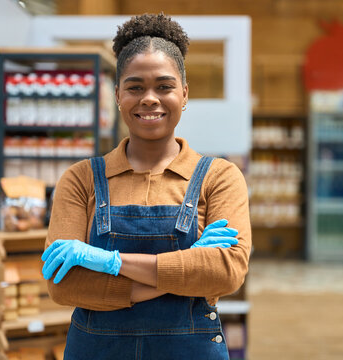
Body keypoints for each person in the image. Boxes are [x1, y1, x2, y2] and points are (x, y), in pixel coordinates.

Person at [41, 13, 251, 359]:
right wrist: (185, 270)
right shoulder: (80, 181)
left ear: (184, 94)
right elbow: (64, 285)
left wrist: (109, 262)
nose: (149, 98)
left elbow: (226, 273)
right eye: (135, 87)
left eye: (164, 86)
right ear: (117, 95)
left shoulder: (219, 177)